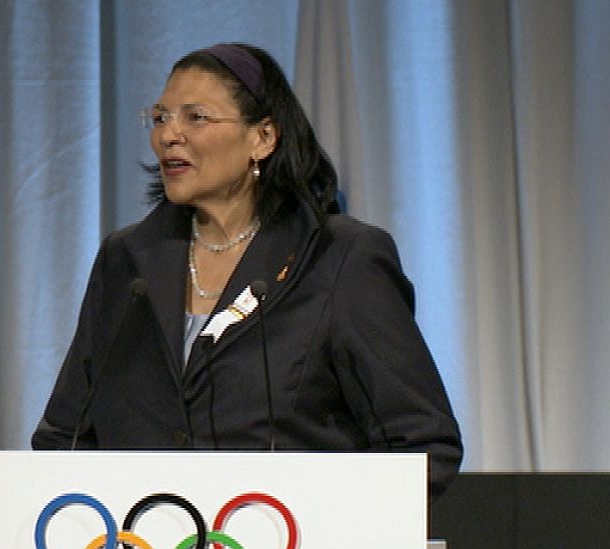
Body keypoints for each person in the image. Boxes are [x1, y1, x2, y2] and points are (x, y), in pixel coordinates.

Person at [31, 43, 462, 500]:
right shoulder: (126, 261)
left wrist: (327, 533)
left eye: (195, 117)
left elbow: (423, 446)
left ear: (264, 137)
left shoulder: (339, 257)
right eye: (160, 117)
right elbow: (65, 437)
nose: (168, 135)